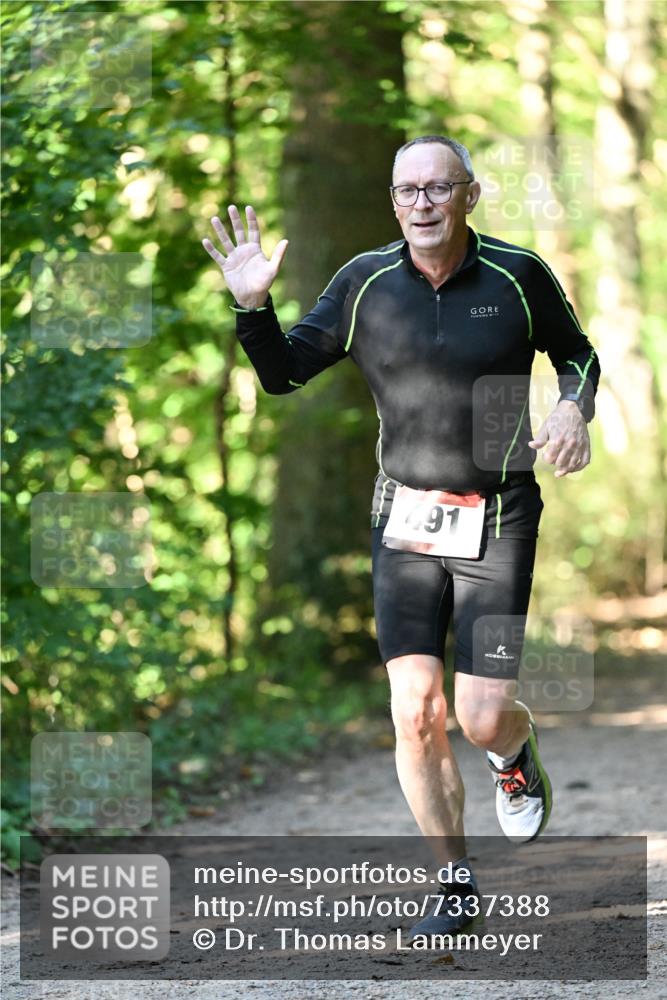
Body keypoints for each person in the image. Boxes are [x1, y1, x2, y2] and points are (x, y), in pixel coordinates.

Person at [202, 135, 600, 942]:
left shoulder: (517, 276)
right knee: (415, 710)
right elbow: (282, 374)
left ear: (469, 194)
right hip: (406, 516)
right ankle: (453, 884)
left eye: (437, 188)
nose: (420, 203)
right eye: (406, 191)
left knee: (480, 716)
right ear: (393, 202)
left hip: (499, 512)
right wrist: (251, 307)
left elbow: (578, 356)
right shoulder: (365, 283)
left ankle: (512, 755)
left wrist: (569, 409)